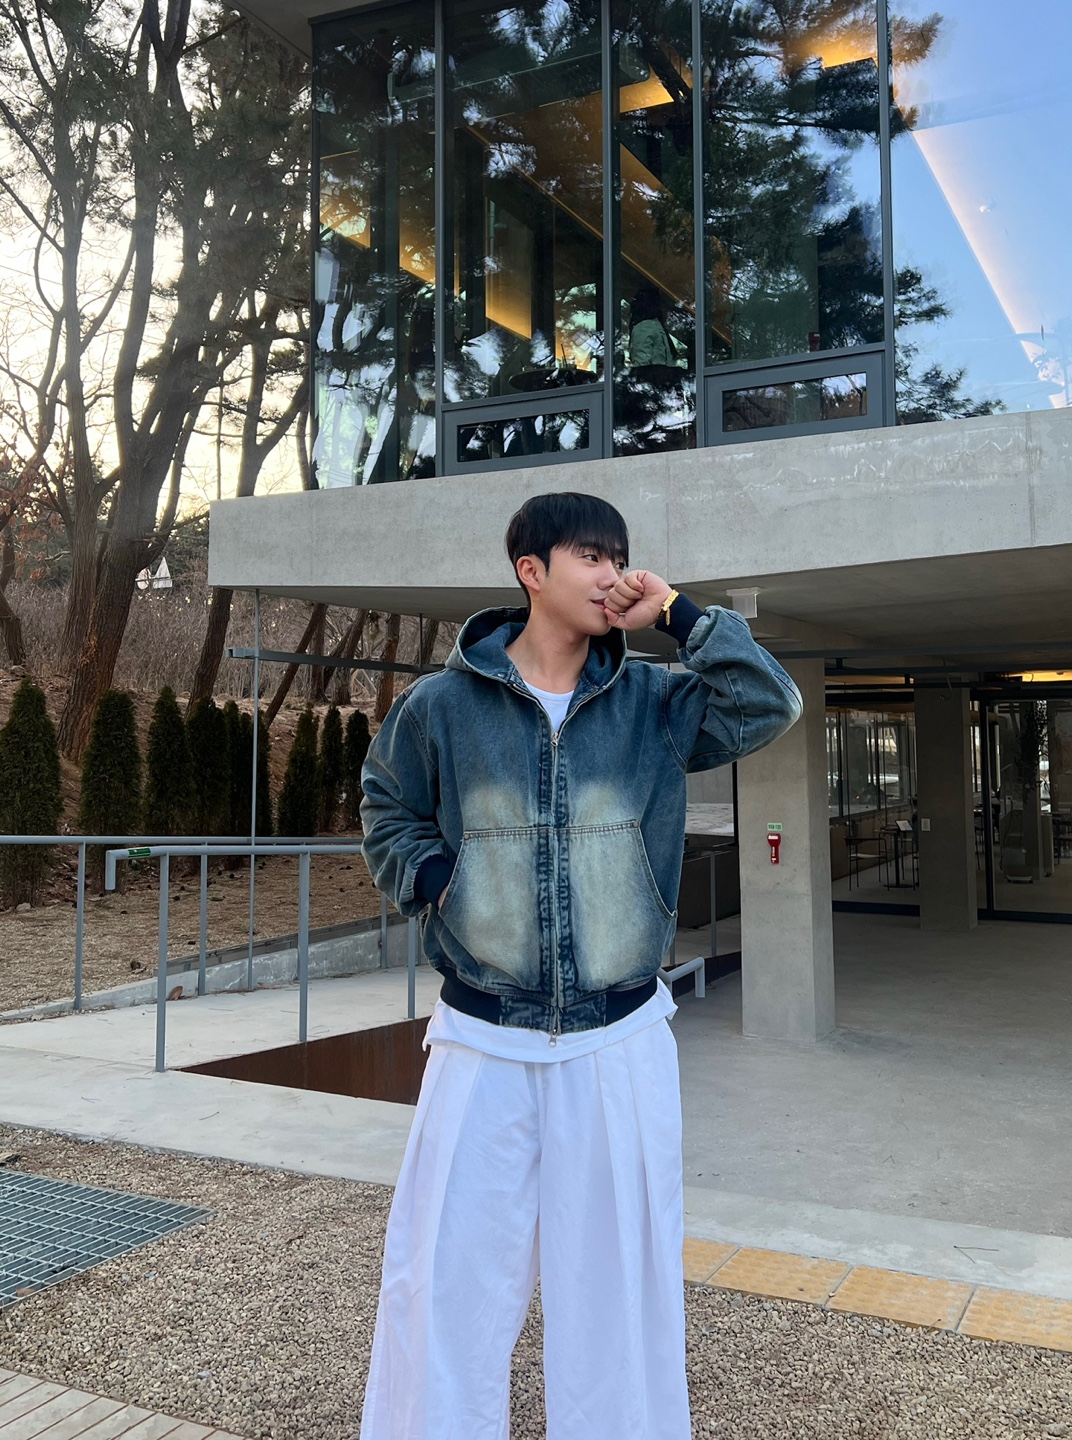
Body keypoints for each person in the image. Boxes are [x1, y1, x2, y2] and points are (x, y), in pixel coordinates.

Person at [359, 491, 802, 1440]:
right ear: (532, 571)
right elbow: (385, 803)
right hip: (482, 1034)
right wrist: (439, 881)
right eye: (590, 557)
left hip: (619, 1036)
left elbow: (771, 702)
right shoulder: (442, 706)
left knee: (620, 1289)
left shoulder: (655, 701)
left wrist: (679, 615)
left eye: (619, 556)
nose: (612, 574)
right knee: (445, 1279)